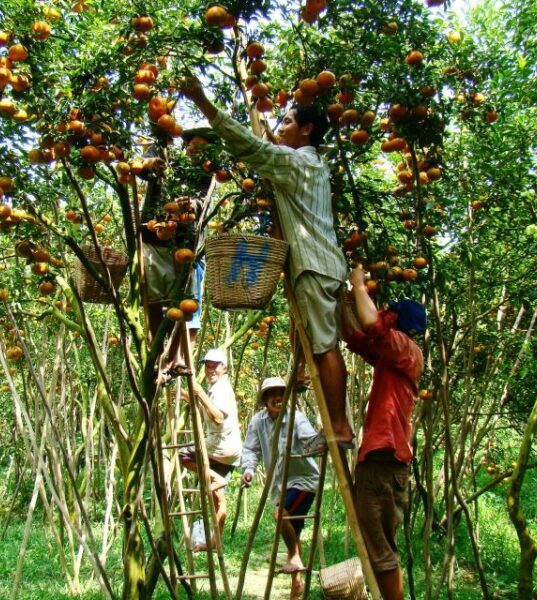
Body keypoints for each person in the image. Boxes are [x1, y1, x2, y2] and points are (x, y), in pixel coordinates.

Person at [180, 77, 353, 449]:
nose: (281, 128)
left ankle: (339, 428)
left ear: (307, 129)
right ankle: (328, 411)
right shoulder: (310, 163)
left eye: (288, 122)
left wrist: (203, 102)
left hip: (314, 266)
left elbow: (249, 147)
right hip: (321, 265)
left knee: (324, 347)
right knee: (317, 343)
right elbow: (271, 149)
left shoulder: (297, 163)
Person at [341, 265, 425, 600]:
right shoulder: (393, 357)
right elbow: (357, 338)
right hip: (383, 460)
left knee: (379, 548)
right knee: (379, 545)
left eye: (390, 315)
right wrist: (349, 298)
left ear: (399, 323)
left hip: (384, 460)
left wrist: (359, 285)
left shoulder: (406, 349)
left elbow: (373, 325)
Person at [139, 127, 217, 378]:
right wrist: (152, 163)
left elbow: (202, 202)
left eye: (204, 148)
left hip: (182, 244)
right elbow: (141, 167)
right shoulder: (166, 157)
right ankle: (155, 347)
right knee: (152, 297)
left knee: (183, 303)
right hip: (153, 237)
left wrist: (192, 204)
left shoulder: (206, 175)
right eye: (194, 144)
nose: (197, 150)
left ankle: (171, 356)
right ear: (185, 145)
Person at [241, 376, 320, 599]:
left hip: (303, 480)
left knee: (280, 515)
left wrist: (321, 441)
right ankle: (297, 583)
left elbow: (309, 440)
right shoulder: (258, 422)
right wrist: (248, 470)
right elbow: (250, 450)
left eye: (281, 393)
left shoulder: (296, 418)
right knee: (292, 531)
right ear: (265, 400)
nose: (277, 398)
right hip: (279, 484)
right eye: (272, 394)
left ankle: (293, 558)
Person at [179, 348, 241, 550]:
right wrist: (192, 398)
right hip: (229, 450)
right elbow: (211, 410)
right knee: (218, 497)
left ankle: (215, 477)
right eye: (208, 365)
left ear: (225, 367)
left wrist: (200, 393)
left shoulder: (221, 388)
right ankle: (215, 541)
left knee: (181, 454)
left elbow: (218, 417)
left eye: (215, 366)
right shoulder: (216, 388)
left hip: (218, 447)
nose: (210, 369)